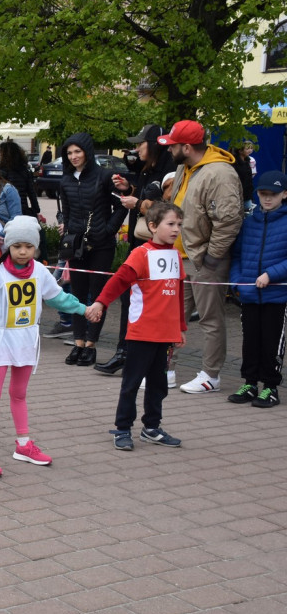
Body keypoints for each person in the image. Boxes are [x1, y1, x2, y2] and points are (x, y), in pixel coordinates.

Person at [0, 216, 90, 476]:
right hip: (1, 339)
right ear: (8, 246)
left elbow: (59, 298)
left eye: (29, 246)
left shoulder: (41, 272)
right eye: (17, 246)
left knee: (19, 394)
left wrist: (83, 309)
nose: (23, 251)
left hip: (26, 340)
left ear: (36, 248)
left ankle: (23, 445)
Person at [85, 202, 188, 450]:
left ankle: (151, 427)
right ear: (153, 226)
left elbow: (178, 294)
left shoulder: (175, 255)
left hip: (165, 335)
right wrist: (100, 303)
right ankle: (122, 428)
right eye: (170, 224)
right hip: (142, 333)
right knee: (131, 383)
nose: (176, 230)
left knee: (159, 385)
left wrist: (181, 328)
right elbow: (119, 281)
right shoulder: (141, 253)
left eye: (179, 225)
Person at [158, 120, 243, 393]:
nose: (169, 150)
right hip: (181, 257)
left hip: (203, 259)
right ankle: (167, 371)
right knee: (172, 317)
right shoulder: (185, 167)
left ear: (186, 146)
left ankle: (211, 375)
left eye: (172, 145)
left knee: (210, 319)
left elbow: (228, 220)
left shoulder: (220, 173)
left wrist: (212, 258)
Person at [101, 124, 177, 378]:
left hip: (157, 251)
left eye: (140, 144)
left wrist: (139, 203)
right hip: (140, 245)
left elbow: (169, 211)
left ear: (154, 144)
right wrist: (128, 190)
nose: (135, 149)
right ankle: (125, 352)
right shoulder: (148, 169)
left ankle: (149, 361)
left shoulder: (169, 171)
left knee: (149, 303)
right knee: (129, 298)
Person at [56, 132, 126, 367]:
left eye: (77, 151)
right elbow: (66, 211)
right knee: (76, 295)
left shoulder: (105, 176)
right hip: (76, 246)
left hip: (102, 246)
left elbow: (121, 206)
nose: (74, 156)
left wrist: (108, 230)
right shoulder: (65, 180)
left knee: (97, 297)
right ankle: (78, 343)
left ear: (87, 151)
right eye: (69, 153)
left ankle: (91, 345)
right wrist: (66, 231)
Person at [227, 171, 287, 408]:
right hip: (250, 295)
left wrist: (271, 274)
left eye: (273, 194)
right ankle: (250, 383)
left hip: (276, 296)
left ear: (284, 194)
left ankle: (270, 388)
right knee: (250, 341)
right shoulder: (249, 221)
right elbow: (238, 256)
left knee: (271, 342)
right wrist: (236, 282)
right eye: (263, 194)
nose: (268, 199)